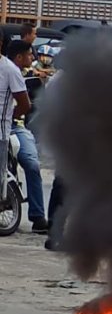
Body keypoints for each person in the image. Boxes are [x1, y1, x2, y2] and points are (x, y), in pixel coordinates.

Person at [2, 39, 47, 232]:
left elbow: (25, 104)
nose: (33, 57)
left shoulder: (15, 72)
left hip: (15, 127)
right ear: (19, 56)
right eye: (30, 54)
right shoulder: (12, 69)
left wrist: (13, 116)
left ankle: (37, 216)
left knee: (31, 164)